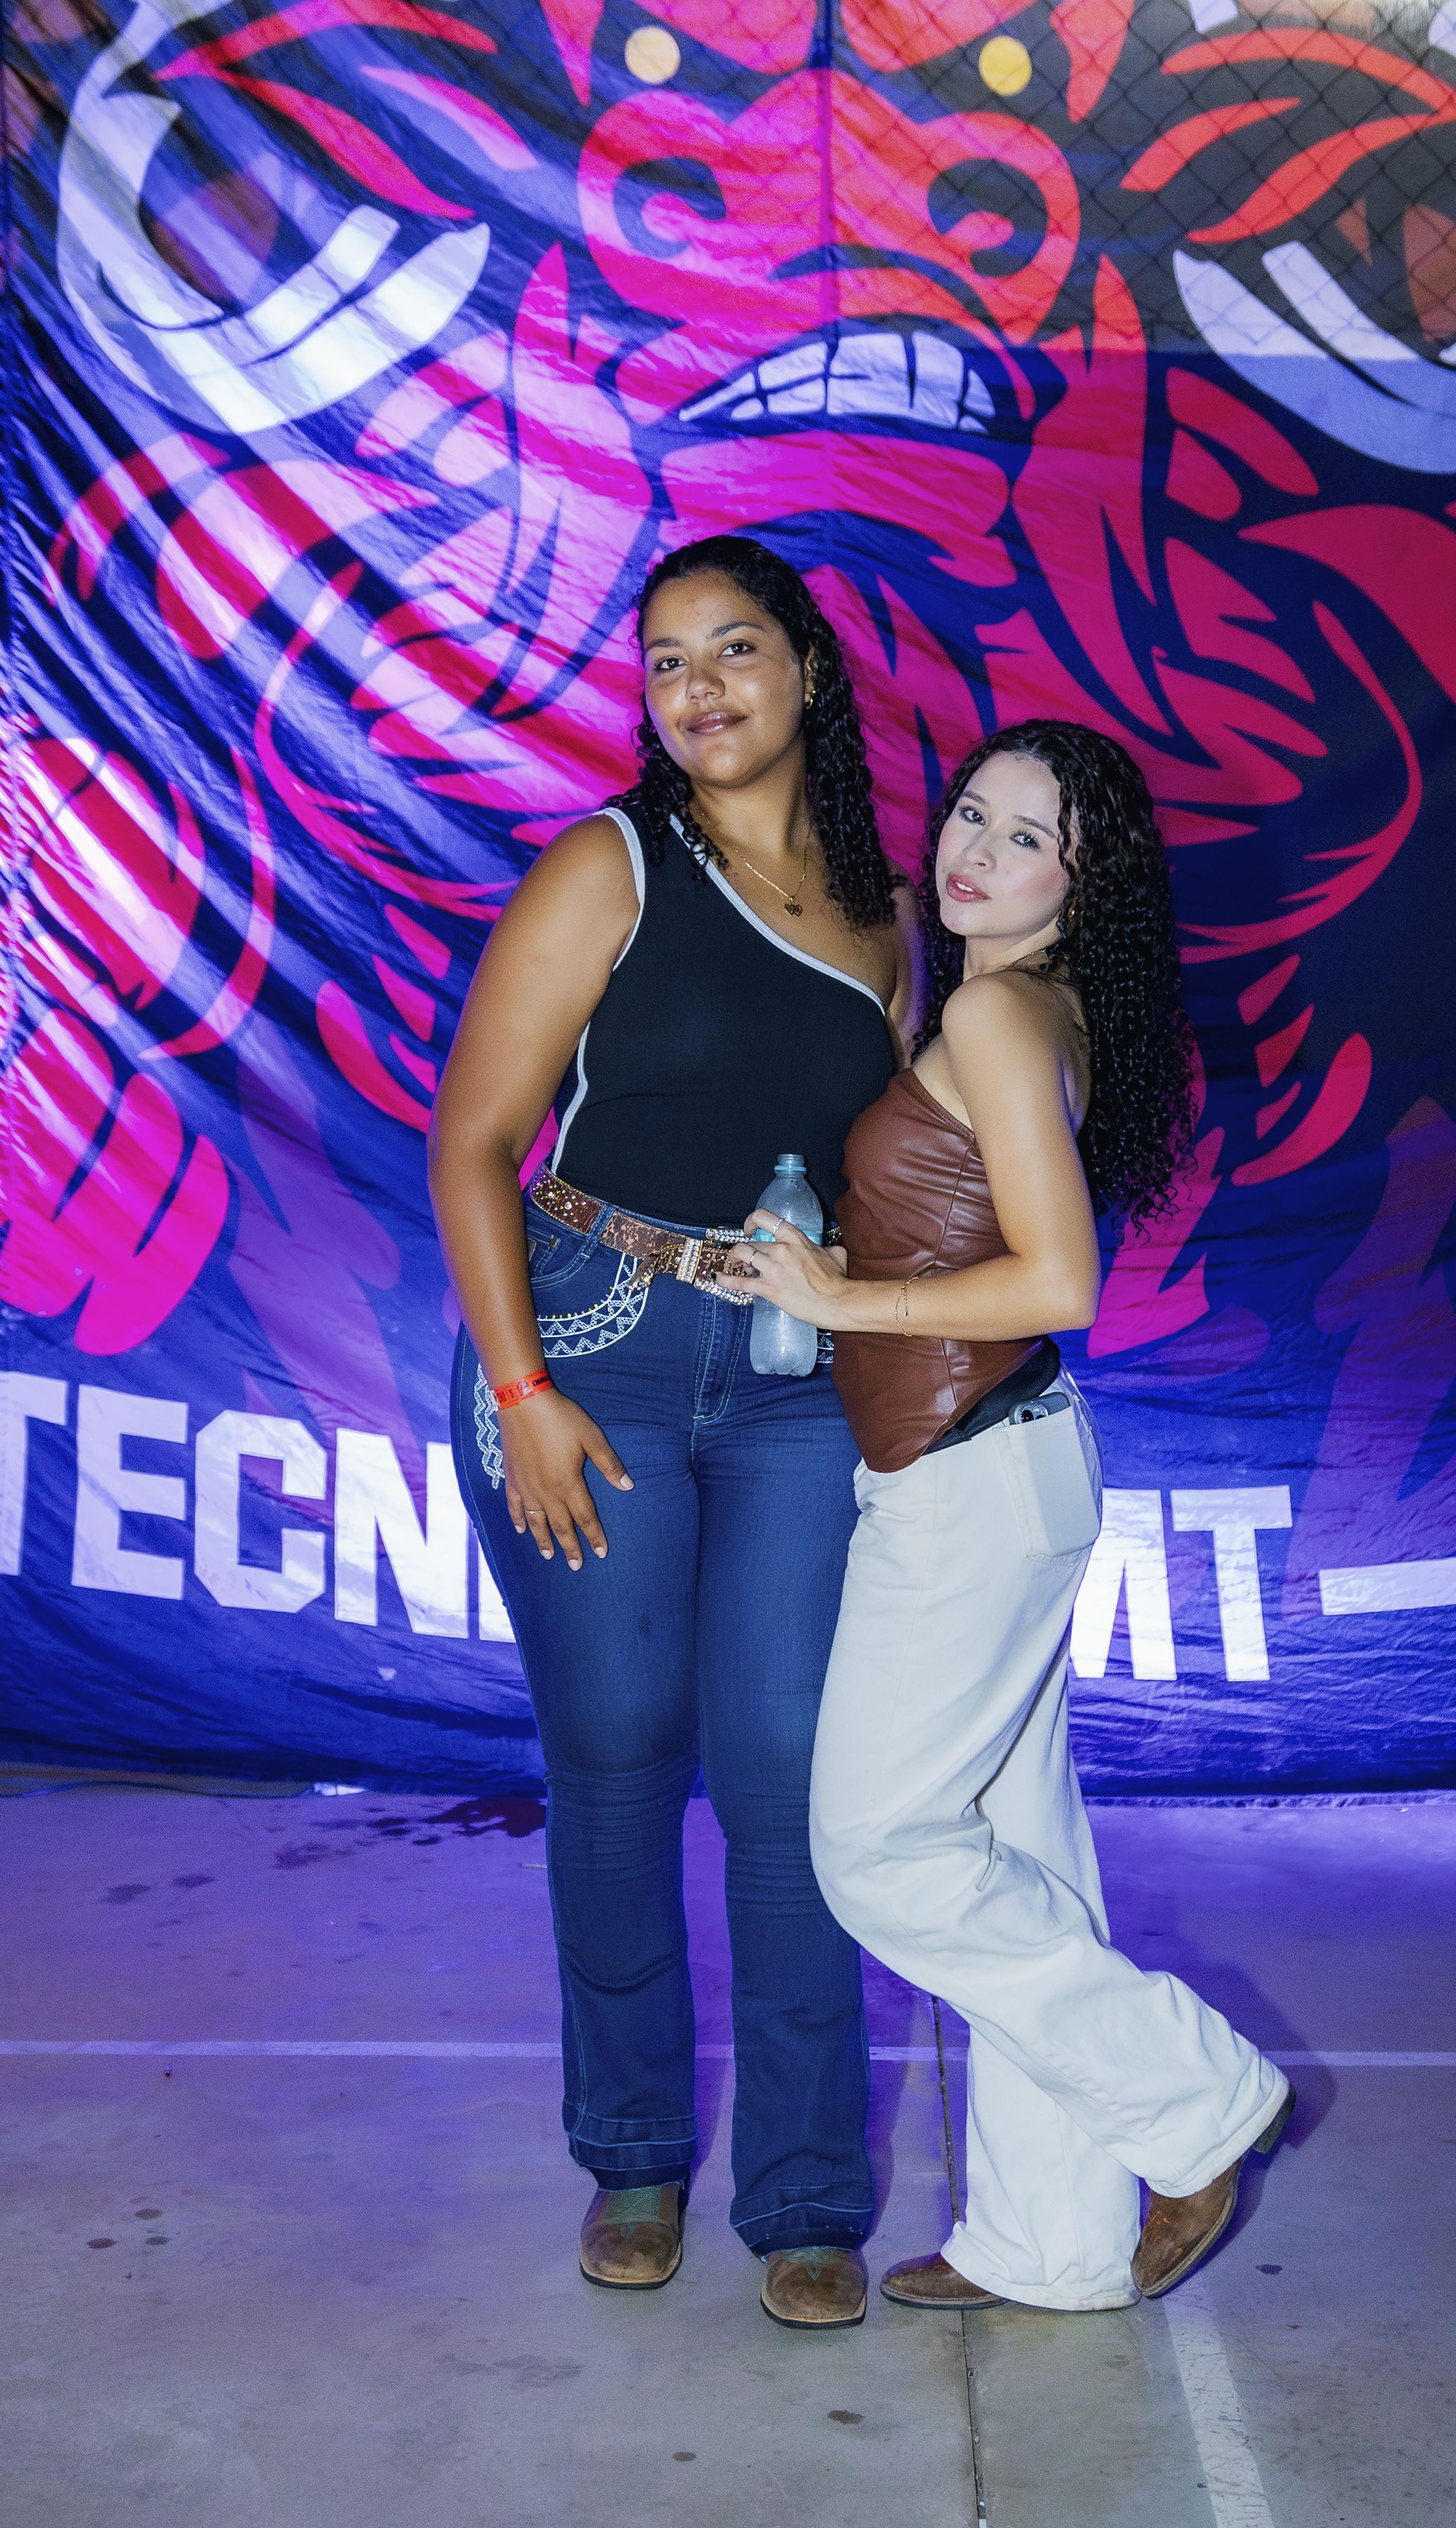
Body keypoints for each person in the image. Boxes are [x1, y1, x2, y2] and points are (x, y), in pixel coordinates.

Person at [727, 720, 1294, 2315]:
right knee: (1017, 1847)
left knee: (878, 1850)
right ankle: (1056, 2244)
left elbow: (1059, 1281)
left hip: (975, 1478)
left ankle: (1198, 2098)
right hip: (992, 1461)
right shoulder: (1013, 1002)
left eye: (1028, 837)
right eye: (973, 812)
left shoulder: (995, 1011)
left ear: (1080, 885)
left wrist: (843, 1297)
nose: (976, 849)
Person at [430, 534, 916, 2331]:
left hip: (794, 1383)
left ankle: (806, 2194)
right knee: (622, 1755)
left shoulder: (888, 916)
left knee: (790, 1779)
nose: (698, 687)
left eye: (735, 649)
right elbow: (476, 1142)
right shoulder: (611, 862)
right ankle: (632, 2153)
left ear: (810, 670)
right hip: (593, 1348)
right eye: (664, 661)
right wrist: (524, 1394)